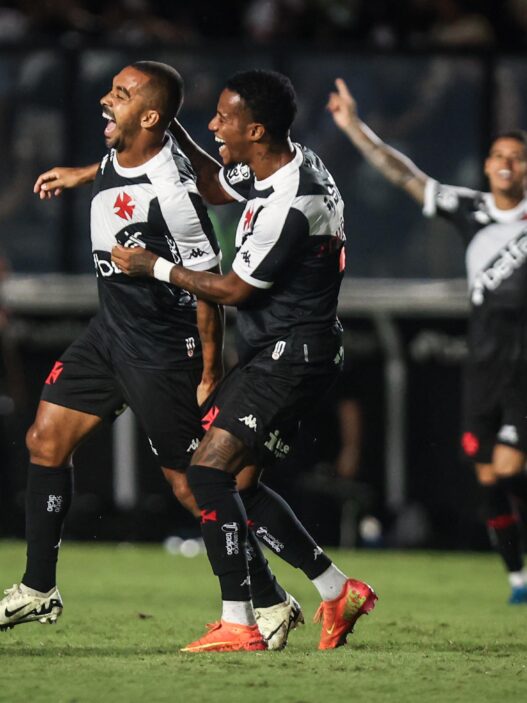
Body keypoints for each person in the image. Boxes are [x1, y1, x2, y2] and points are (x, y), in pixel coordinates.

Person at [0, 61, 303, 650]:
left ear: (150, 116)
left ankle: (270, 600)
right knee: (45, 438)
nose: (104, 101)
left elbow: (208, 286)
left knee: (196, 487)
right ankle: (39, 588)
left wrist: (210, 371)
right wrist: (81, 173)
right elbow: (120, 172)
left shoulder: (176, 194)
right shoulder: (122, 152)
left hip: (162, 350)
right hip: (109, 331)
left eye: (120, 94)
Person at [111, 69, 378, 653]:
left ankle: (240, 621)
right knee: (238, 484)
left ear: (255, 130)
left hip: (292, 356)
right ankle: (337, 590)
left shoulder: (293, 203)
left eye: (223, 119)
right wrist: (169, 117)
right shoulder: (276, 161)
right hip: (280, 352)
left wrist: (152, 266)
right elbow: (211, 181)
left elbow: (233, 291)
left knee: (208, 473)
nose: (214, 125)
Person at [327, 77, 527, 604]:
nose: (507, 163)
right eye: (498, 155)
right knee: (488, 476)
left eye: (518, 157)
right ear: (486, 166)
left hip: (524, 366)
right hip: (484, 365)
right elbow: (405, 176)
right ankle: (518, 580)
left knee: (510, 465)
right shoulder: (471, 210)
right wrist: (353, 126)